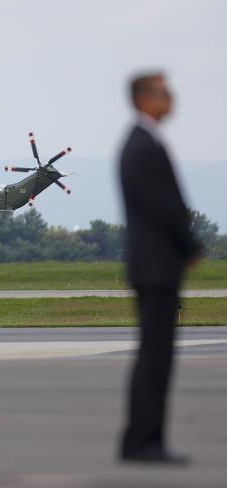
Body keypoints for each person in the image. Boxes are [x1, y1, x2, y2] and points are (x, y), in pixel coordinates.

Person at [118, 72, 201, 464]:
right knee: (155, 356)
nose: (173, 100)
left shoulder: (140, 143)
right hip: (156, 265)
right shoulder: (144, 145)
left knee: (154, 355)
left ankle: (141, 438)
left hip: (153, 263)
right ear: (145, 99)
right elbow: (164, 207)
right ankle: (143, 441)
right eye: (166, 93)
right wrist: (190, 246)